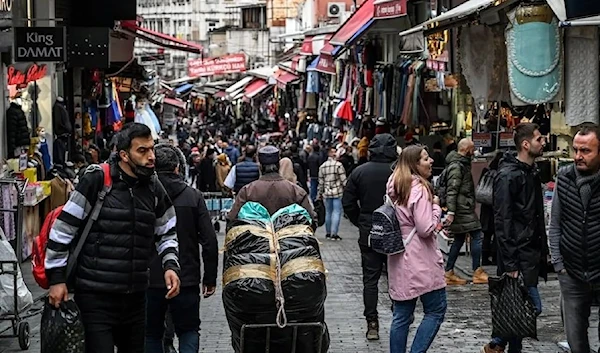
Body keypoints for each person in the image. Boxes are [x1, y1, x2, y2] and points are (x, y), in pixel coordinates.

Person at [45, 123, 181, 353]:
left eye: (152, 149)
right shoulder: (97, 179)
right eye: (143, 151)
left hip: (136, 297)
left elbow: (166, 230)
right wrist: (57, 279)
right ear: (124, 155)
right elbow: (63, 229)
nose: (151, 157)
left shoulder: (153, 186)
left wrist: (170, 265)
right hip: (96, 296)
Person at [146, 145, 218, 353]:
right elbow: (209, 241)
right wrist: (210, 278)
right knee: (188, 330)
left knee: (151, 333)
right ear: (178, 168)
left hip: (150, 278)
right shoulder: (193, 197)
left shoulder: (144, 195)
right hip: (186, 276)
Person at [482, 123, 546, 353]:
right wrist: (510, 262)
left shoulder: (530, 172)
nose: (544, 142)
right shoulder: (508, 176)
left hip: (530, 252)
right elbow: (503, 220)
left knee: (517, 310)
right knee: (532, 307)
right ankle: (497, 343)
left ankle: (499, 345)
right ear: (526, 144)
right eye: (539, 139)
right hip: (517, 254)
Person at [386, 145, 446, 353]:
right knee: (436, 310)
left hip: (398, 255)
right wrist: (436, 209)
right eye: (425, 158)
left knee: (402, 314)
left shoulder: (394, 186)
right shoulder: (418, 189)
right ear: (414, 164)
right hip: (420, 257)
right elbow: (425, 227)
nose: (430, 162)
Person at [549, 124, 600, 353]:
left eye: (586, 151)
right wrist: (559, 265)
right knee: (576, 340)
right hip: (571, 271)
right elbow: (556, 224)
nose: (578, 156)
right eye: (575, 149)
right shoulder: (565, 177)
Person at [342, 134, 398, 341]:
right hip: (396, 233)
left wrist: (361, 222)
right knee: (396, 276)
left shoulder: (359, 172)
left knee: (370, 280)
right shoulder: (400, 173)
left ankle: (372, 322)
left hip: (369, 232)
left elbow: (347, 202)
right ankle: (399, 316)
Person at [227, 145, 316, 223]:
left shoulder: (247, 191)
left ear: (260, 167)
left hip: (256, 240)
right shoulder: (296, 191)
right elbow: (311, 219)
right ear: (278, 165)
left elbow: (232, 218)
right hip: (288, 241)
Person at [443, 139, 488, 285]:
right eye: (472, 149)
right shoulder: (457, 166)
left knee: (459, 239)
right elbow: (452, 190)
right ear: (466, 150)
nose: (474, 152)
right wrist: (451, 211)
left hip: (461, 207)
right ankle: (477, 271)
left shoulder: (460, 164)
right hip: (462, 209)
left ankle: (449, 271)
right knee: (476, 234)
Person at [318, 146, 347, 240]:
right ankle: (334, 233)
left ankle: (328, 233)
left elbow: (321, 182)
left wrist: (320, 193)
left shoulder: (323, 166)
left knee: (328, 212)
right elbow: (344, 180)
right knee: (337, 212)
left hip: (327, 192)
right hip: (337, 192)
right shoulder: (338, 165)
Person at [479, 151, 503, 266]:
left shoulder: (486, 172)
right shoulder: (500, 174)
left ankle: (484, 258)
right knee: (497, 234)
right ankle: (494, 257)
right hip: (496, 207)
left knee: (486, 235)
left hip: (485, 206)